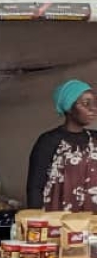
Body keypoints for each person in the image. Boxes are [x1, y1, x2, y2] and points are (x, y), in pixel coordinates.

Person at [27, 79, 97, 213]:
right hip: (58, 224)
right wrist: (36, 222)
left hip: (93, 223)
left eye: (94, 103)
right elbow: (35, 187)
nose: (93, 108)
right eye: (86, 103)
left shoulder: (95, 138)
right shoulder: (49, 141)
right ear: (69, 107)